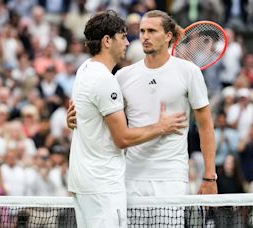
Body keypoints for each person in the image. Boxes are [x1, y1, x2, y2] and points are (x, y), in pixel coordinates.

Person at [68, 9, 217, 195]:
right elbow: (109, 120)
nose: (145, 36)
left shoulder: (190, 72)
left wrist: (210, 176)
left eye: (152, 31)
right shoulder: (122, 76)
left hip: (171, 179)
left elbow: (205, 127)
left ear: (168, 36)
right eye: (142, 31)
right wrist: (78, 118)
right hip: (130, 178)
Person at [67, 10, 187, 228]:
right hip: (103, 185)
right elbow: (122, 138)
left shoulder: (84, 70)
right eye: (122, 37)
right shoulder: (105, 80)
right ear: (107, 41)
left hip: (83, 182)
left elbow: (84, 115)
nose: (127, 42)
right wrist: (160, 127)